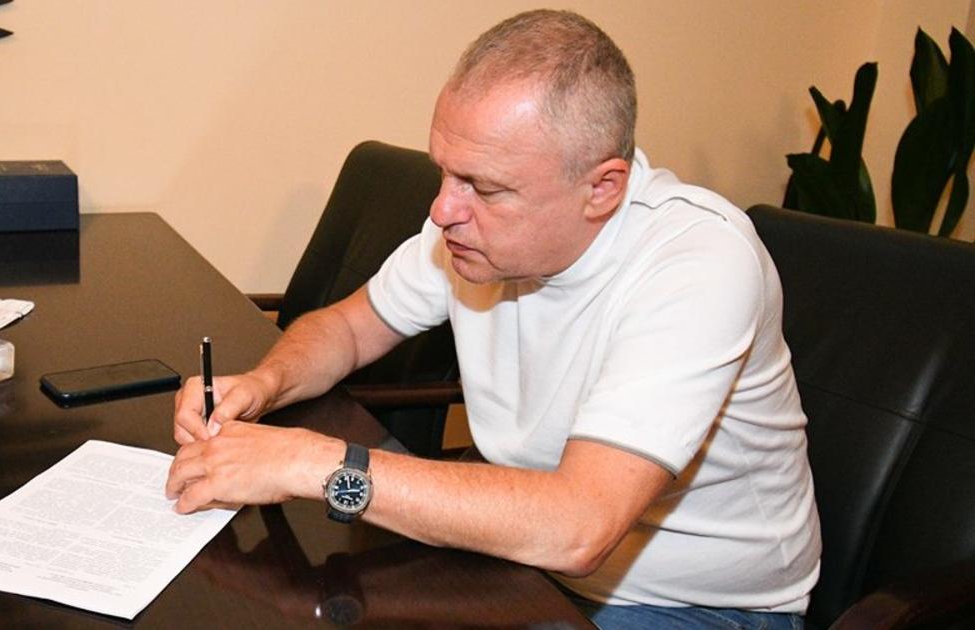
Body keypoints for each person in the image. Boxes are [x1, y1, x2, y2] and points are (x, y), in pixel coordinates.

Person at [166, 9, 820, 628]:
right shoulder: (468, 235)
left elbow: (579, 527)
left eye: (484, 186)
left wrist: (316, 464)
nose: (442, 209)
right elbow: (348, 328)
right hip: (521, 554)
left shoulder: (698, 263)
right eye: (446, 173)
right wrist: (264, 384)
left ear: (602, 188)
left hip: (691, 603)